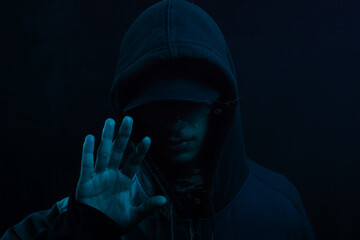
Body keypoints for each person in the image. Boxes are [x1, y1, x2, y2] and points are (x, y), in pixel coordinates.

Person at [1, 0, 315, 239]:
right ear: (135, 112)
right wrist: (85, 230)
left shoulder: (278, 206)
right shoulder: (97, 206)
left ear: (219, 105)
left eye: (189, 104)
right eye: (160, 106)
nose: (176, 122)